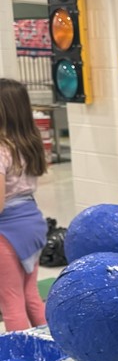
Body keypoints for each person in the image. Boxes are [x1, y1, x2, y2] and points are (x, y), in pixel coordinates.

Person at [0, 78, 49, 332]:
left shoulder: (1, 149)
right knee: (31, 296)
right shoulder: (29, 144)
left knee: (11, 302)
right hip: (33, 224)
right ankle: (55, 349)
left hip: (7, 230)